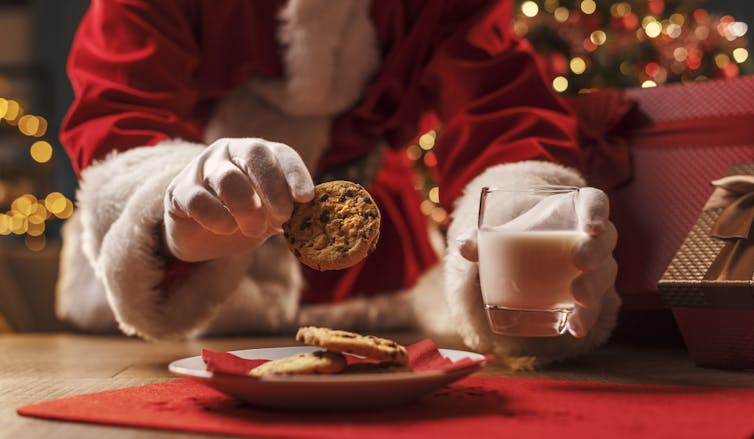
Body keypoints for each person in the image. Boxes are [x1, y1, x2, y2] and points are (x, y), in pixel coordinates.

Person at [56, 0, 619, 365]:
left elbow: (503, 109)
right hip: (176, 286)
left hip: (375, 276)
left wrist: (521, 224)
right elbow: (119, 108)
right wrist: (172, 209)